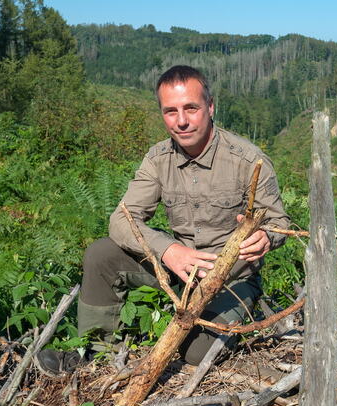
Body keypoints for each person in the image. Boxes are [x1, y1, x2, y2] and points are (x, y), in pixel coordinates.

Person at [37, 65, 290, 375]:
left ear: (210, 107)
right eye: (171, 111)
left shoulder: (249, 160)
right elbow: (121, 220)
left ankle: (244, 313)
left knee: (196, 354)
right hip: (177, 269)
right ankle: (95, 354)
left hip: (231, 282)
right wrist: (169, 250)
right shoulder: (158, 158)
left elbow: (279, 222)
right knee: (101, 255)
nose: (181, 121)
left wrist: (267, 236)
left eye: (191, 108)